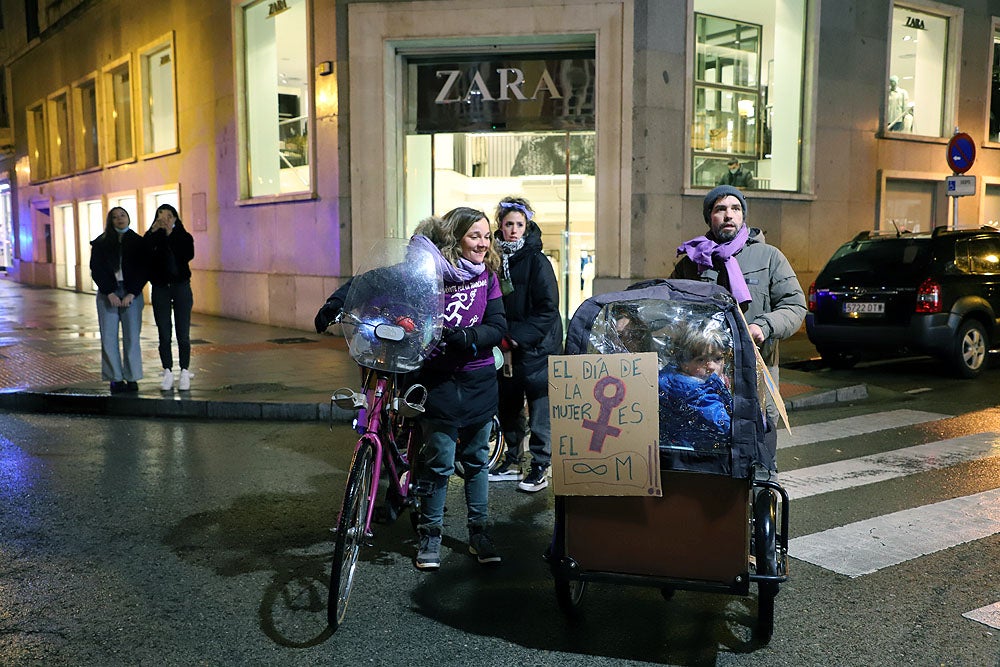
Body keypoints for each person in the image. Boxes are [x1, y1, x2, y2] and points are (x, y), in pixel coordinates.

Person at [410, 208, 507, 570]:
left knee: (477, 461)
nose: (483, 243)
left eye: (486, 236)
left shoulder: (489, 277)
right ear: (455, 238)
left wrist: (470, 336)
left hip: (479, 377)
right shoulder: (427, 272)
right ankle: (430, 533)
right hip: (439, 381)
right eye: (474, 236)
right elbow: (382, 283)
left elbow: (498, 325)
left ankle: (478, 532)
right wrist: (339, 301)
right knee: (439, 462)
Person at [671, 185, 806, 422]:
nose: (728, 214)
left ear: (743, 215)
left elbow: (794, 306)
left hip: (756, 370)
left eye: (735, 208)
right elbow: (672, 309)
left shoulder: (769, 256)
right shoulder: (692, 262)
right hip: (704, 373)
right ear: (709, 216)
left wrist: (764, 326)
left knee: (758, 442)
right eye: (720, 209)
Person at [487, 196, 562, 493]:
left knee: (540, 405)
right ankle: (513, 459)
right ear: (500, 226)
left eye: (520, 224)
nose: (514, 230)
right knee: (508, 403)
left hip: (537, 346)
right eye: (509, 224)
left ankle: (541, 464)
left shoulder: (536, 260)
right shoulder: (493, 260)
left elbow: (548, 308)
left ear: (527, 226)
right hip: (505, 347)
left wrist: (516, 336)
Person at [89, 207, 148, 394]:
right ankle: (115, 378)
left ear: (128, 217)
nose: (119, 219)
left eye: (123, 215)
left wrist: (132, 292)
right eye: (115, 217)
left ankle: (132, 377)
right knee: (108, 337)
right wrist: (109, 292)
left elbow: (143, 269)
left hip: (132, 293)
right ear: (110, 221)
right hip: (109, 293)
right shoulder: (101, 242)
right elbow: (96, 269)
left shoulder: (138, 242)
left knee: (132, 336)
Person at [657, 318, 733, 451]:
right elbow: (724, 426)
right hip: (700, 454)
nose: (711, 366)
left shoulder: (674, 377)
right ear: (684, 362)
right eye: (701, 360)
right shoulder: (693, 391)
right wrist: (753, 421)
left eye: (718, 358)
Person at [144, 204, 196, 391]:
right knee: (164, 333)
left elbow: (186, 256)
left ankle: (184, 370)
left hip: (181, 287)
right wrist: (152, 232)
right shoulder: (152, 237)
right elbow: (144, 255)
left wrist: (169, 236)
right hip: (160, 288)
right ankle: (167, 370)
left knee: (183, 333)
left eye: (168, 216)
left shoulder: (183, 236)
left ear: (175, 218)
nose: (164, 219)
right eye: (160, 216)